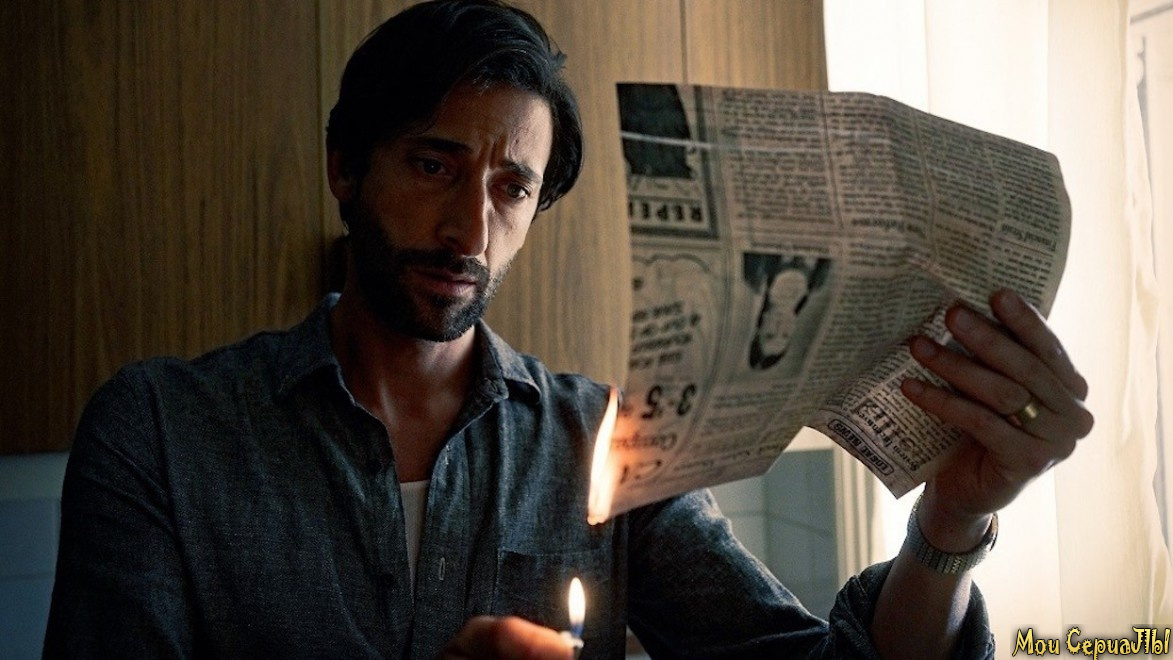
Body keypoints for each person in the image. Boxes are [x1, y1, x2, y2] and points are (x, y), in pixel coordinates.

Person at [43, 1, 1094, 658]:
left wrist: (951, 519)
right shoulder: (163, 430)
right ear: (345, 169)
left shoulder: (609, 444)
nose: (470, 229)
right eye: (433, 164)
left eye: (512, 188)